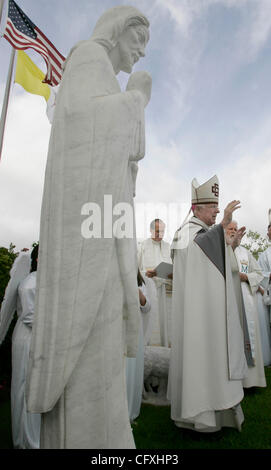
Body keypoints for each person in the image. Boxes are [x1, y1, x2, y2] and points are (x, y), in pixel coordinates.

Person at [26, 6, 151, 449]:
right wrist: (135, 99)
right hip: (87, 243)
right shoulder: (86, 60)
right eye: (138, 40)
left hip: (101, 235)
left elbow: (118, 162)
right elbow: (85, 128)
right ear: (118, 32)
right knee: (89, 364)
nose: (140, 52)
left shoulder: (101, 71)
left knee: (103, 362)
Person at [168, 175, 248, 433]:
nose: (216, 210)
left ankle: (217, 415)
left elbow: (212, 258)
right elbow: (199, 250)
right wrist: (222, 225)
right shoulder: (188, 233)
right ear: (195, 208)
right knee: (201, 358)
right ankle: (199, 420)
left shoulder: (203, 234)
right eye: (212, 207)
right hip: (196, 313)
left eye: (217, 207)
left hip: (206, 311)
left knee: (212, 357)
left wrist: (231, 246)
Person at [0, 246, 41, 449]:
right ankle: (26, 440)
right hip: (28, 338)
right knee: (26, 386)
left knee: (33, 385)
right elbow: (31, 316)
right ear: (37, 259)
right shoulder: (31, 284)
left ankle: (34, 436)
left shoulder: (39, 280)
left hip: (34, 337)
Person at [225, 221, 266, 388]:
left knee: (249, 336)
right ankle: (235, 382)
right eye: (231, 229)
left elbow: (258, 273)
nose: (234, 232)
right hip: (230, 300)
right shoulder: (223, 251)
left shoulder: (246, 253)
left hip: (247, 299)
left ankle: (251, 381)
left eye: (236, 229)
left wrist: (247, 278)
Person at [138, 219, 172, 346]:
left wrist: (172, 274)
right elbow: (136, 270)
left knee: (165, 325)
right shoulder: (142, 246)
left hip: (165, 293)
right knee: (151, 326)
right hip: (150, 291)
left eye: (163, 231)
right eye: (157, 231)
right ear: (151, 230)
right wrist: (146, 273)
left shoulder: (168, 247)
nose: (160, 234)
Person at [126, 269, 151, 422]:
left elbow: (147, 307)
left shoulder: (141, 282)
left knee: (132, 369)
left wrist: (140, 296)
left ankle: (131, 409)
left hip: (135, 331)